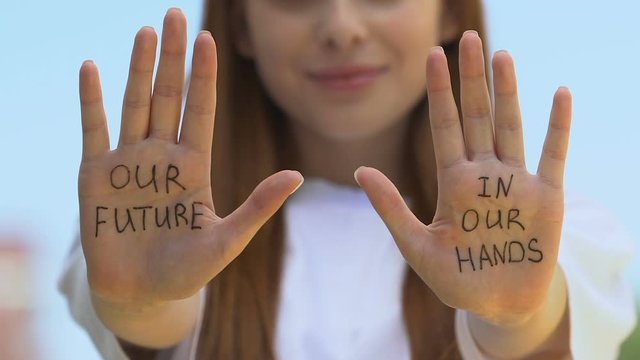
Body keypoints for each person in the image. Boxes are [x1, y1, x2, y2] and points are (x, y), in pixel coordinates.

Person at [59, 1, 637, 359]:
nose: (341, 26)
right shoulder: (155, 227)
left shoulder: (565, 232)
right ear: (241, 24)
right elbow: (153, 318)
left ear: (451, 12)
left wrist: (516, 314)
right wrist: (138, 301)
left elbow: (538, 325)